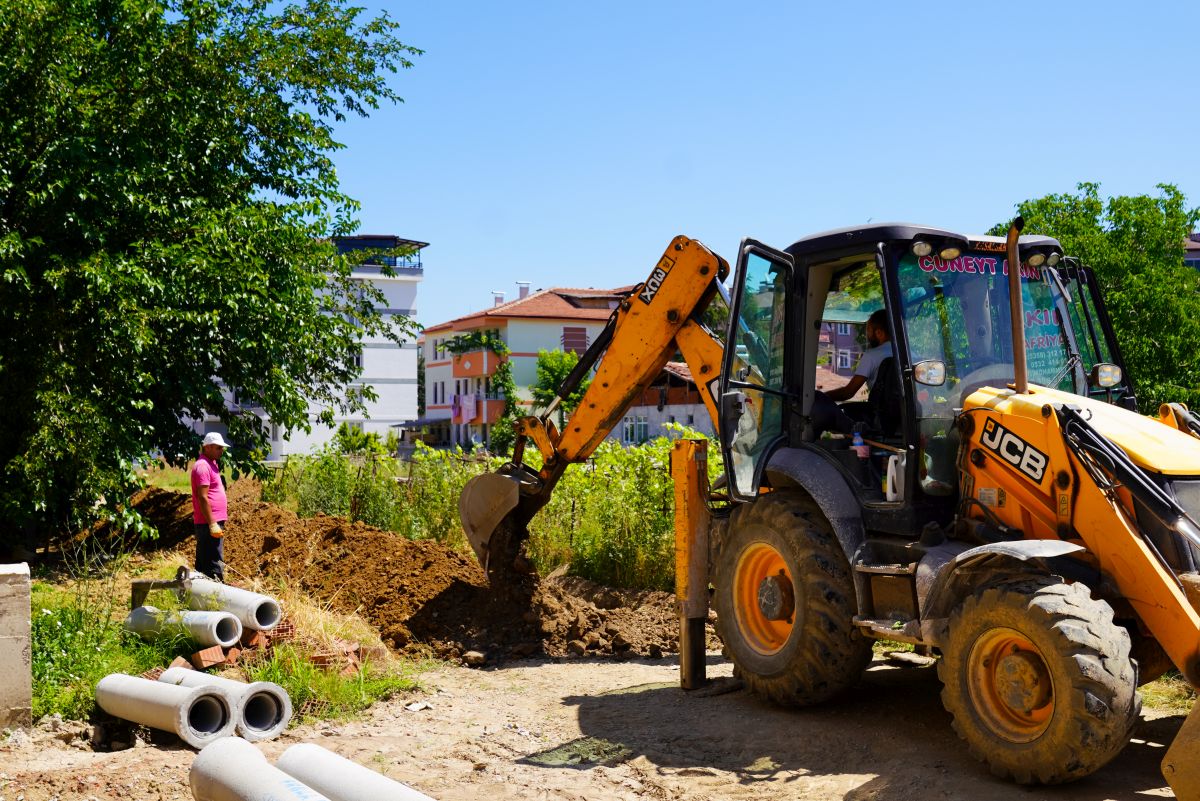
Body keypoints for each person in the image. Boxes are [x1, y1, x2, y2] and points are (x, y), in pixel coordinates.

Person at [812, 308, 893, 437]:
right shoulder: (911, 355)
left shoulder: (872, 355)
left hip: (880, 418)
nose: (867, 335)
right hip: (904, 418)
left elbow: (848, 393)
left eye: (869, 331)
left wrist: (822, 398)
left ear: (879, 333)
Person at [191, 432, 230, 581]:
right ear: (207, 447)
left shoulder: (211, 463)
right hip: (208, 523)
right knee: (213, 562)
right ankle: (216, 596)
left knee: (206, 560)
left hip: (212, 521)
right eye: (219, 448)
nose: (222, 451)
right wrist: (212, 523)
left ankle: (203, 595)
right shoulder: (202, 466)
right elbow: (202, 496)